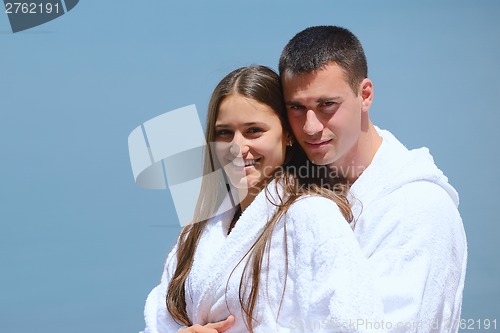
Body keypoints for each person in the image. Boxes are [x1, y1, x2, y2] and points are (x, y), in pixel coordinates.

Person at [140, 65, 382, 333]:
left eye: (254, 130)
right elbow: (159, 322)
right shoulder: (196, 233)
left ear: (288, 134)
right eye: (224, 133)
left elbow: (355, 322)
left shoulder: (313, 217)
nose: (237, 148)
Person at [278, 25, 467, 332]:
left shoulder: (417, 208)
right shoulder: (294, 187)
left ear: (364, 95)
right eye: (297, 108)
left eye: (326, 105)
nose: (310, 126)